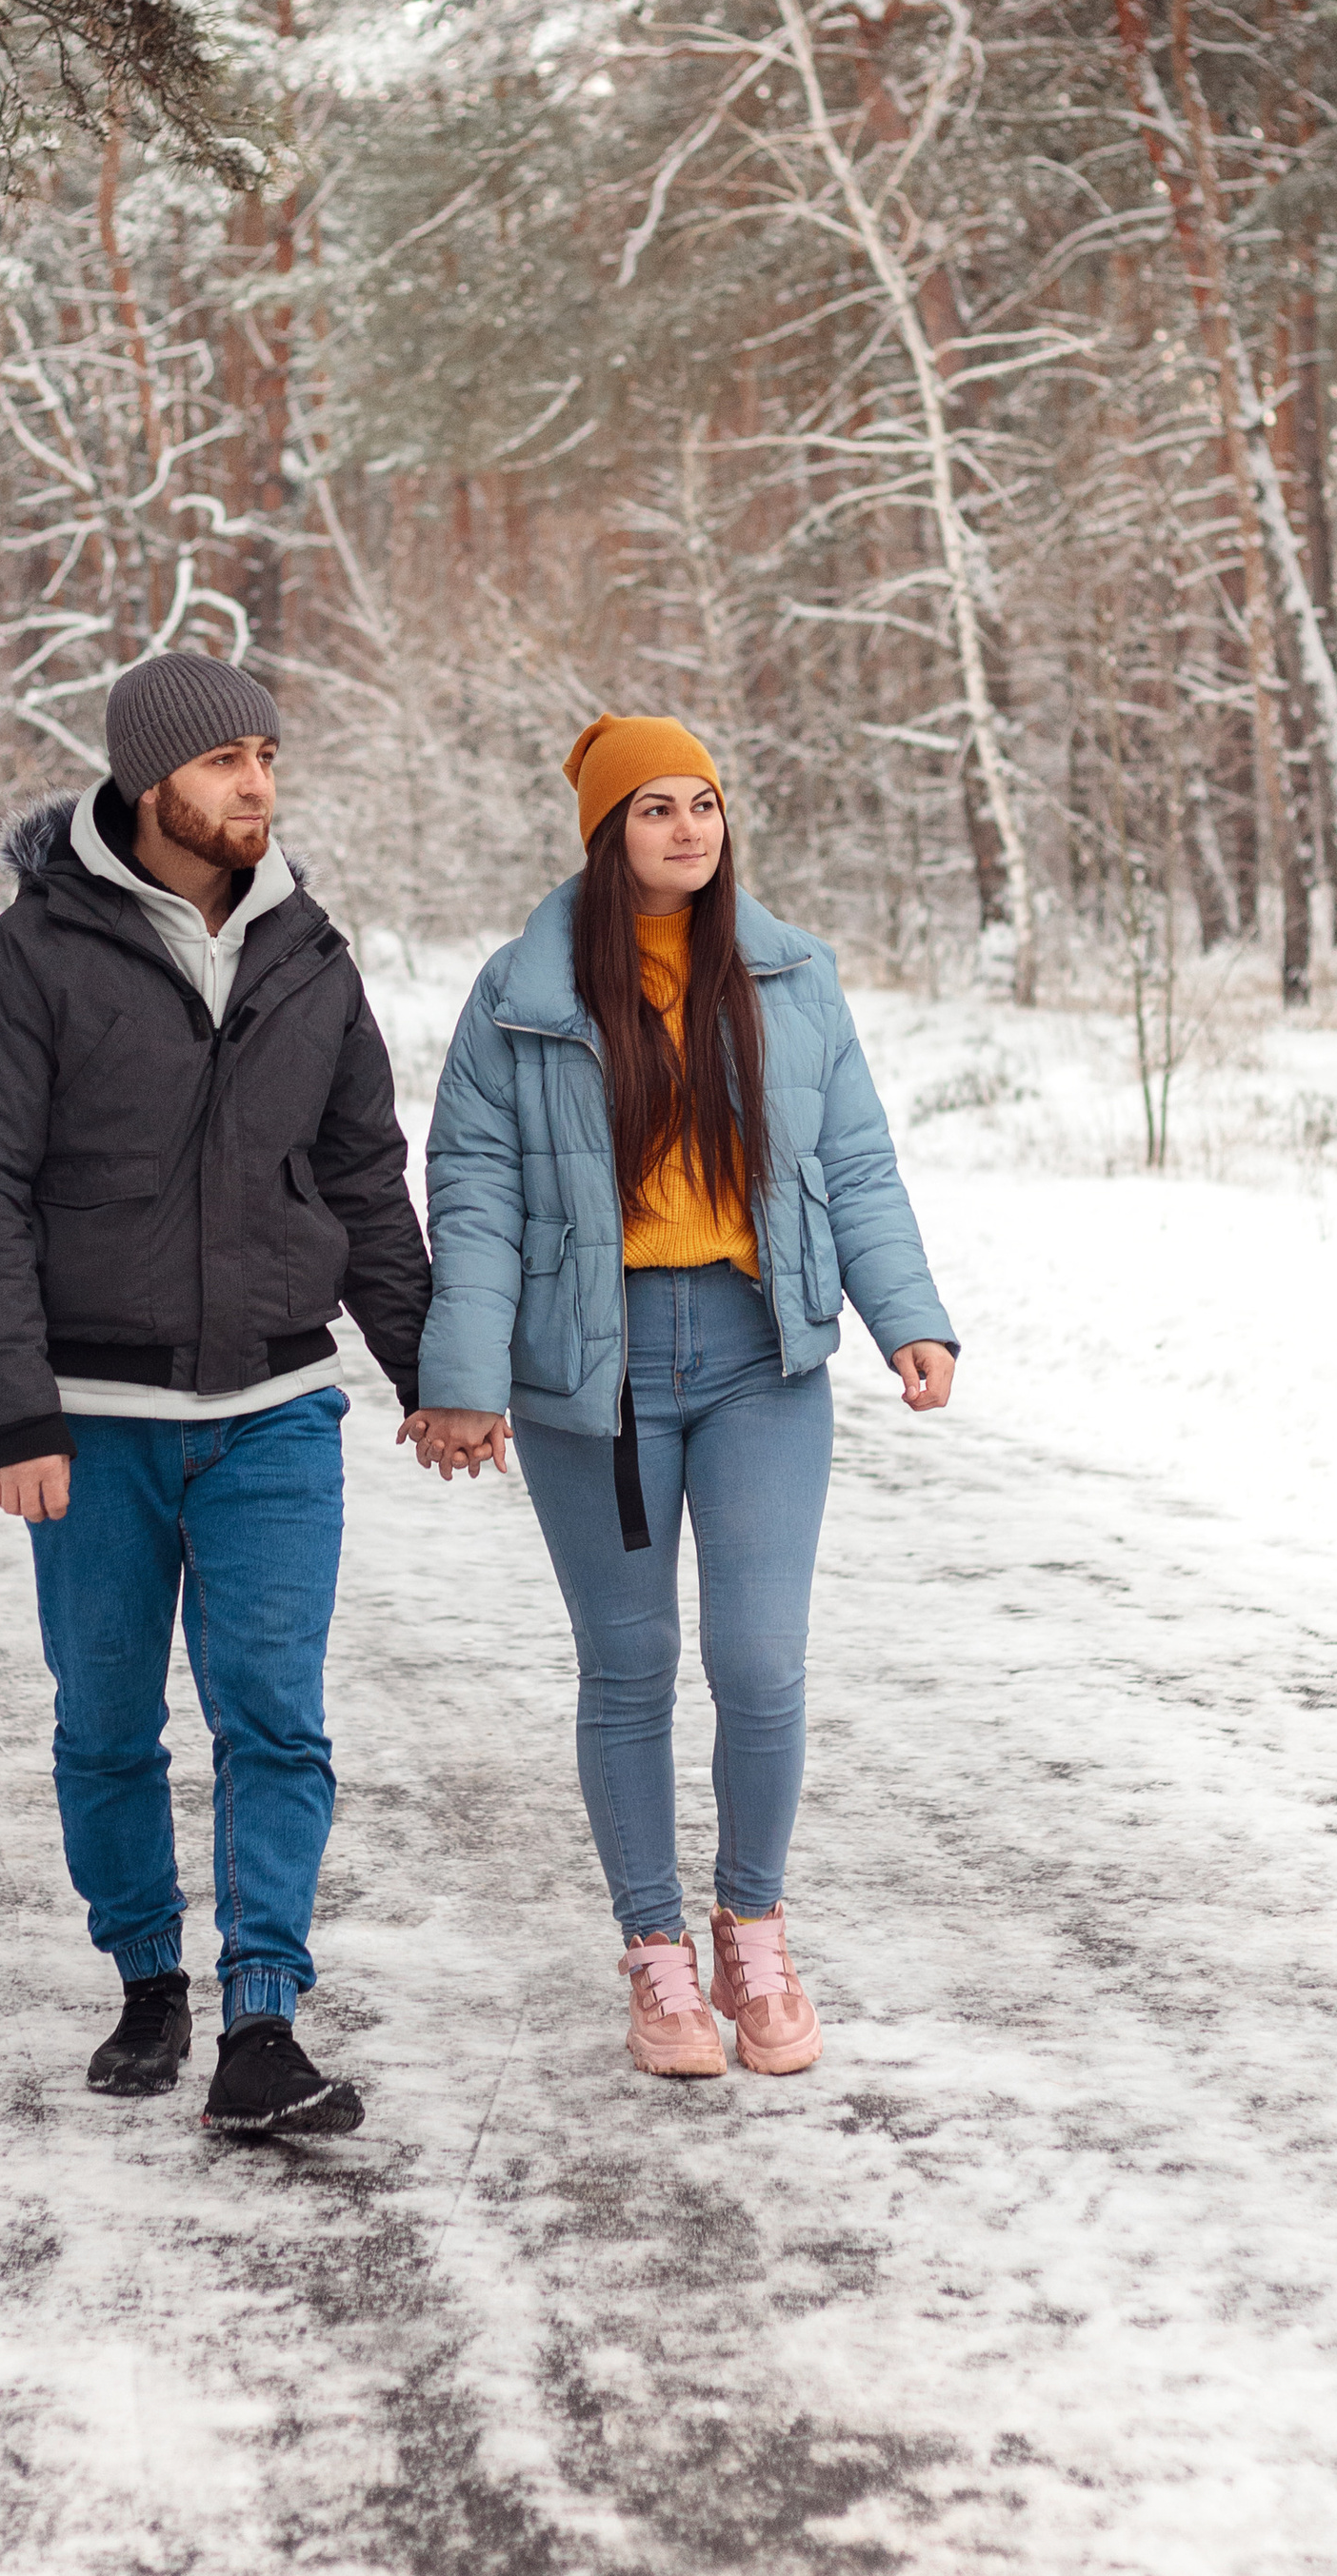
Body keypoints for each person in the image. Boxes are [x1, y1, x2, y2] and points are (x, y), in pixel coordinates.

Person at [0, 650, 429, 2139]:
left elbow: (362, 1177)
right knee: (104, 1720)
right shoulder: (29, 960)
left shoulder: (309, 952)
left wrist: (431, 1370)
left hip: (278, 1404)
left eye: (269, 755)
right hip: (93, 1418)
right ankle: (149, 1978)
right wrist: (17, 1417)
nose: (258, 785)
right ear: (154, 786)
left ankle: (262, 2019)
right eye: (226, 763)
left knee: (274, 1718)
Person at [409, 715, 956, 2080]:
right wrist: (465, 1379)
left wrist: (909, 1319)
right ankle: (655, 1954)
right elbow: (474, 1199)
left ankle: (752, 1930)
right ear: (606, 833)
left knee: (761, 1663)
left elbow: (862, 1166)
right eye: (654, 808)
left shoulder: (791, 975)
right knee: (630, 1664)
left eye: (703, 803)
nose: (687, 830)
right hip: (592, 1379)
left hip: (761, 1356)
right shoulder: (519, 997)